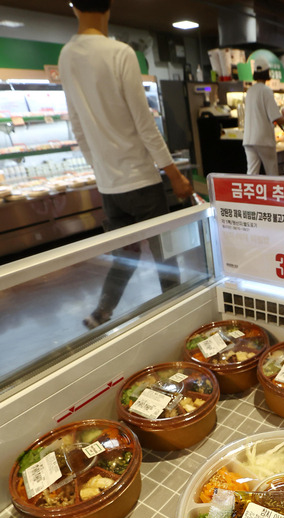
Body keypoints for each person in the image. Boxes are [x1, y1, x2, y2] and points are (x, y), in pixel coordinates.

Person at [59, 0, 193, 329]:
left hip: (110, 188)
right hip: (142, 183)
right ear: (110, 6)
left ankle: (102, 311)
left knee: (125, 254)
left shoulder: (66, 56)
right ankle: (176, 316)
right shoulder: (120, 53)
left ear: (72, 6)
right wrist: (173, 173)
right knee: (166, 254)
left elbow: (76, 125)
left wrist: (101, 170)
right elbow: (144, 125)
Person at [242, 57, 284, 176]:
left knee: (252, 173)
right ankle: (273, 194)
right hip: (264, 139)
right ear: (267, 73)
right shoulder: (266, 91)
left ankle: (251, 194)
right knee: (272, 173)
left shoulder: (249, 91)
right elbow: (275, 117)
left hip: (249, 139)